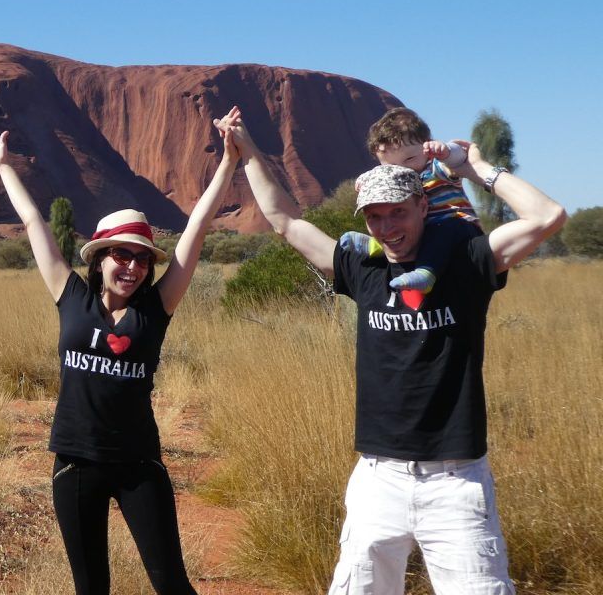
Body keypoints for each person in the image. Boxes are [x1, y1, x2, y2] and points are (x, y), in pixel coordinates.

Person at [218, 110, 565, 594]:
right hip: (378, 478)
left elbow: (548, 217)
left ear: (423, 206)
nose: (387, 226)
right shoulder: (363, 266)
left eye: (398, 211)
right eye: (375, 216)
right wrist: (247, 148)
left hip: (456, 481)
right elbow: (284, 220)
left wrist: (472, 167)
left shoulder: (468, 261)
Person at [0, 110, 241, 595]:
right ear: (98, 259)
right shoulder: (70, 295)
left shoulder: (157, 308)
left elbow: (197, 228)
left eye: (141, 258)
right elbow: (34, 223)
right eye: (122, 255)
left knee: (173, 584)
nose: (133, 267)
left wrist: (228, 162)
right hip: (76, 464)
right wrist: (4, 166)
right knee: (91, 587)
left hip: (139, 464)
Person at [340, 107, 484, 292]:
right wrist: (366, 178)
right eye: (392, 165)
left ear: (427, 147)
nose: (403, 168)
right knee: (409, 231)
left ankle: (425, 273)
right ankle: (375, 245)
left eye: (409, 158)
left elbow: (461, 158)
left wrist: (447, 151)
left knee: (442, 231)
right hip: (427, 230)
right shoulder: (398, 179)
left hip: (460, 226)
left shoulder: (435, 167)